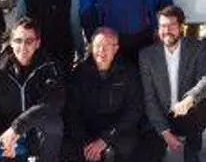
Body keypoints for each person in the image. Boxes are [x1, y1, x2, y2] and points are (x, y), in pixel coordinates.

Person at [65, 27, 162, 162]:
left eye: (107, 46)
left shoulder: (129, 72)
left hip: (118, 133)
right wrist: (86, 142)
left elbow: (134, 110)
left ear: (116, 49)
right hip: (88, 133)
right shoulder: (79, 73)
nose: (101, 51)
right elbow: (72, 112)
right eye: (98, 45)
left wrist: (105, 139)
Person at [0, 18, 65, 161]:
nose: (23, 47)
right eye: (18, 41)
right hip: (8, 136)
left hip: (35, 134)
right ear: (11, 43)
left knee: (53, 124)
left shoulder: (50, 68)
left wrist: (17, 128)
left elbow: (51, 103)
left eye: (29, 41)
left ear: (38, 43)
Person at [139, 6, 206, 162]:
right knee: (152, 154)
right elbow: (149, 97)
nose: (167, 30)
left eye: (172, 25)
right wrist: (165, 133)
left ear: (181, 27)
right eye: (163, 26)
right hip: (161, 114)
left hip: (189, 112)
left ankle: (192, 146)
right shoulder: (147, 55)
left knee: (197, 110)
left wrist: (190, 99)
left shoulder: (196, 47)